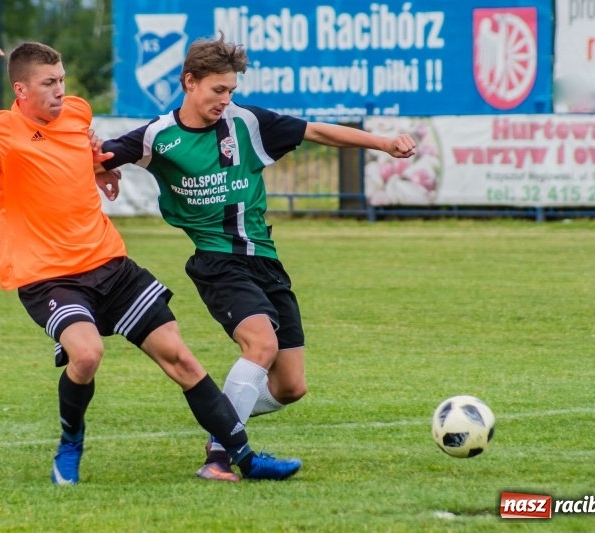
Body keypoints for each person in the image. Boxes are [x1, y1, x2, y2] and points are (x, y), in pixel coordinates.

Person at [0, 42, 302, 485]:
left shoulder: (77, 112)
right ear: (21, 89)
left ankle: (242, 458)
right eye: (49, 83)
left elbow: (82, 156)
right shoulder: (1, 130)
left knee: (182, 360)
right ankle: (70, 443)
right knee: (87, 354)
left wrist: (101, 169)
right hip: (48, 276)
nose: (59, 90)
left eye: (62, 80)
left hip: (110, 263)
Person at [97, 34, 417, 482]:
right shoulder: (158, 136)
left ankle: (222, 421)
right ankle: (219, 457)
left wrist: (383, 143)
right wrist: (103, 167)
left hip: (265, 259)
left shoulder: (246, 122)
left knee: (291, 386)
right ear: (190, 82)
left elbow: (318, 131)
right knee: (260, 345)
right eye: (217, 90)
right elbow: (93, 158)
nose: (225, 100)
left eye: (231, 91)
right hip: (217, 261)